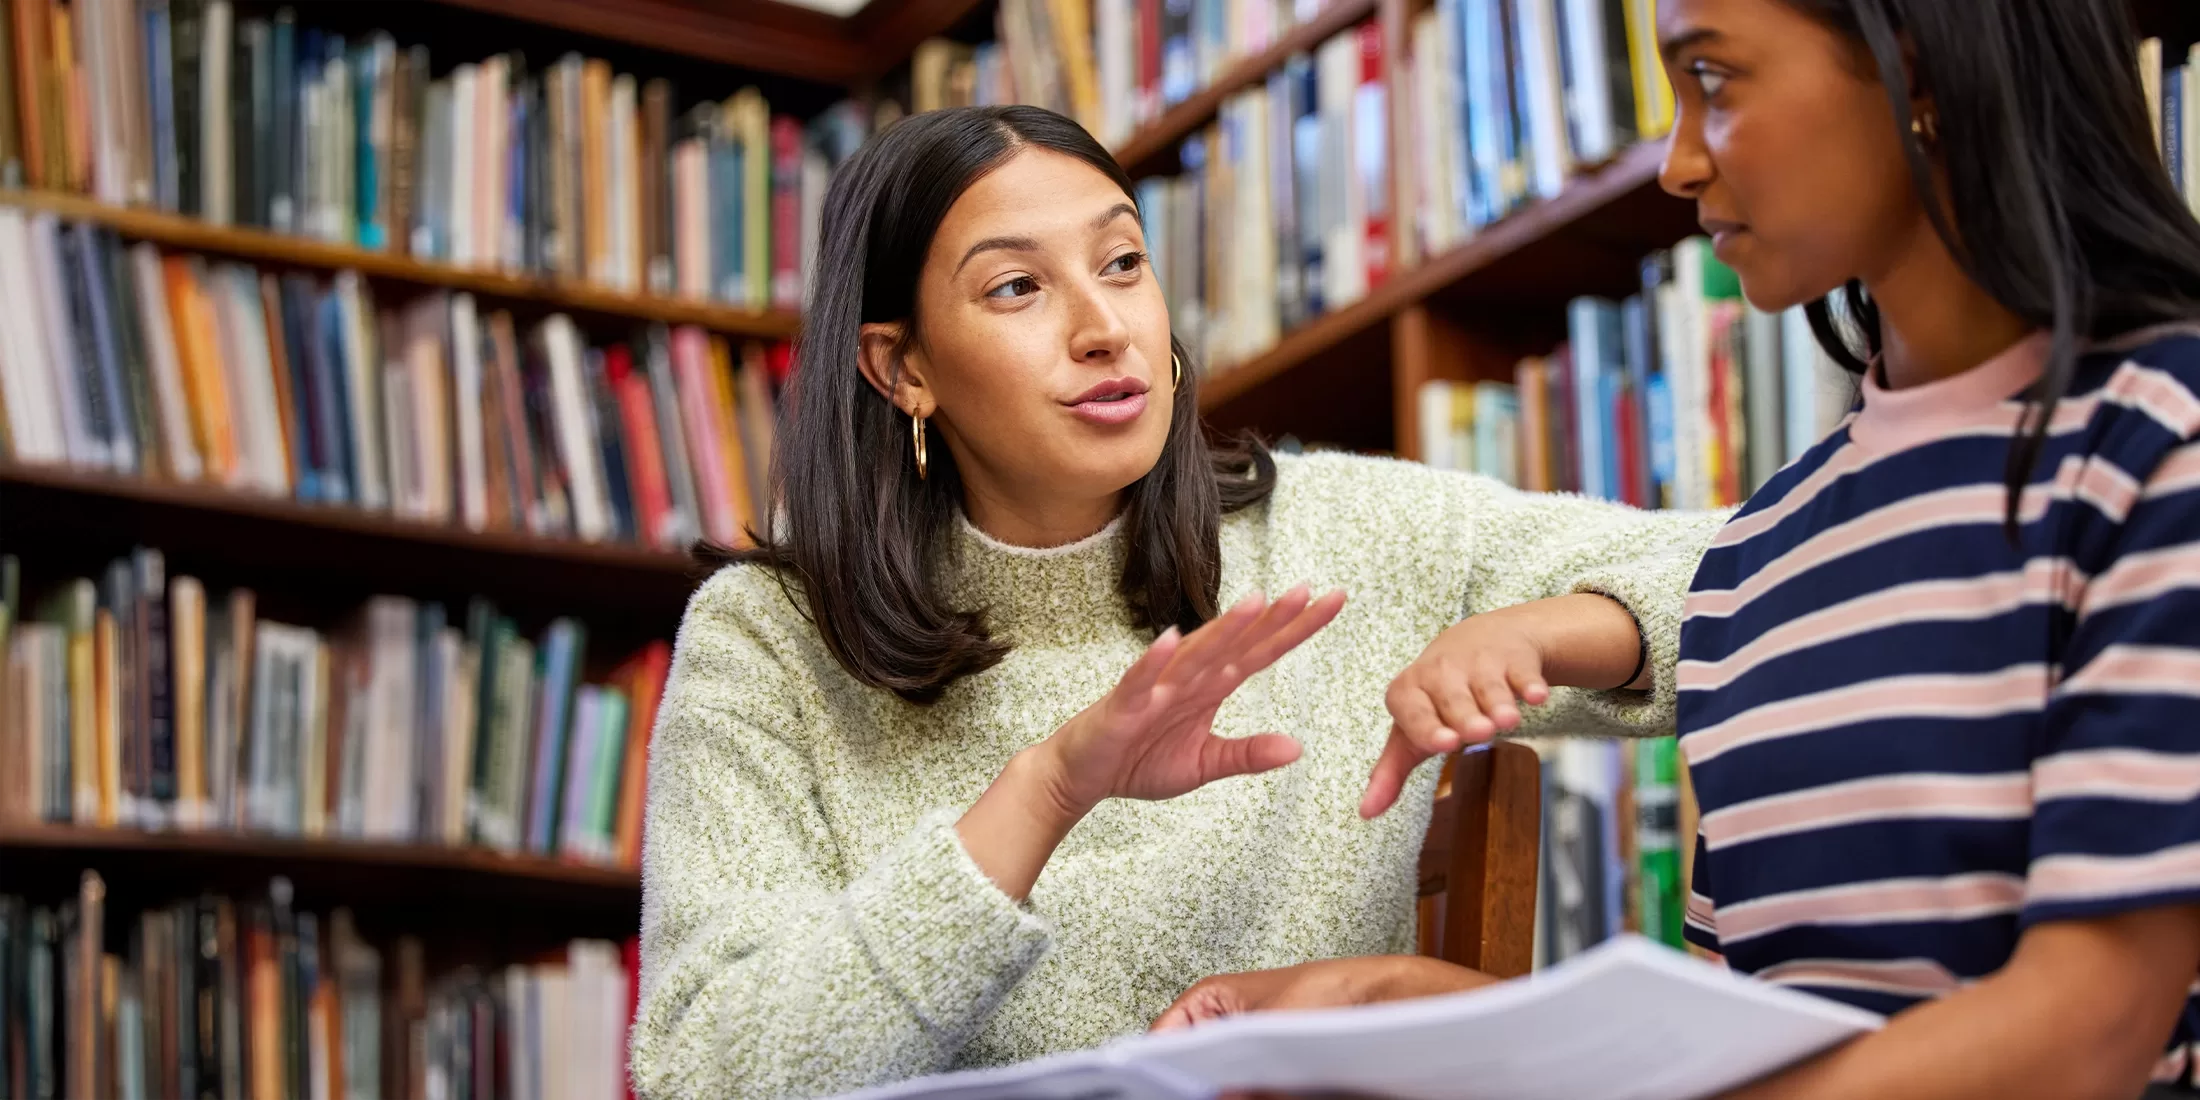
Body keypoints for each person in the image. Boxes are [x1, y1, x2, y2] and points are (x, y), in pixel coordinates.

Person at [1157, 0, 2200, 1097]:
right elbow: (1744, 1031)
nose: (1677, 163)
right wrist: (1361, 1004)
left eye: (1713, 80)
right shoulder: (1758, 550)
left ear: (1923, 68)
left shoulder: (2159, 441)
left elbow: (2088, 1029)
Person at [624, 104, 1724, 1100]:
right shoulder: (768, 643)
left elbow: (1774, 577)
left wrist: (1559, 627)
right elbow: (704, 1070)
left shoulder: (1339, 536)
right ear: (899, 366)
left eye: (1122, 261)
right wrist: (1049, 788)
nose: (1105, 325)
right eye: (1018, 286)